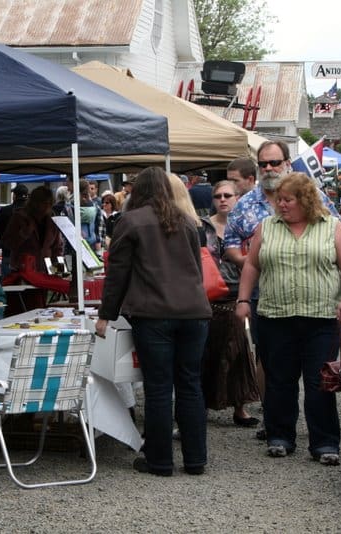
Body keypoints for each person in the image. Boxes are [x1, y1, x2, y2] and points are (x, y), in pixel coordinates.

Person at [95, 166, 211, 477]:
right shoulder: (186, 221)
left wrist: (106, 314)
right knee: (190, 385)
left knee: (158, 387)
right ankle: (195, 459)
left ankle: (159, 461)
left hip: (154, 313)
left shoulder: (130, 221)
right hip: (194, 312)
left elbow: (117, 274)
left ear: (138, 191)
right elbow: (196, 271)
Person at [235, 172, 341, 466]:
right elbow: (252, 265)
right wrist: (243, 300)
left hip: (321, 317)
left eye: (287, 200)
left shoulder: (332, 227)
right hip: (276, 316)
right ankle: (280, 436)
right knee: (279, 380)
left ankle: (325, 443)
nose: (281, 205)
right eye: (278, 200)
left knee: (319, 382)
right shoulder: (267, 227)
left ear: (305, 200)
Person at [200, 181, 260, 425]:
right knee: (206, 352)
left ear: (237, 197)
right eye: (218, 196)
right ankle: (202, 406)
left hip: (237, 292)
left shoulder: (247, 225)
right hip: (208, 295)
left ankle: (239, 406)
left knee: (237, 351)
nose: (222, 199)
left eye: (227, 195)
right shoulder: (202, 226)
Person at [3, 185, 63, 274]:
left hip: (46, 270)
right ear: (35, 203)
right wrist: (24, 234)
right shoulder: (19, 217)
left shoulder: (52, 220)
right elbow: (8, 243)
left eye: (50, 203)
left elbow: (57, 248)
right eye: (44, 203)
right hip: (23, 270)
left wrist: (59, 272)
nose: (47, 206)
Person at [0, 184, 28, 277]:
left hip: (8, 252)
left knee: (8, 282)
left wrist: (4, 240)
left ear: (14, 196)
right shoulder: (33, 212)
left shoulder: (5, 210)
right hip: (29, 255)